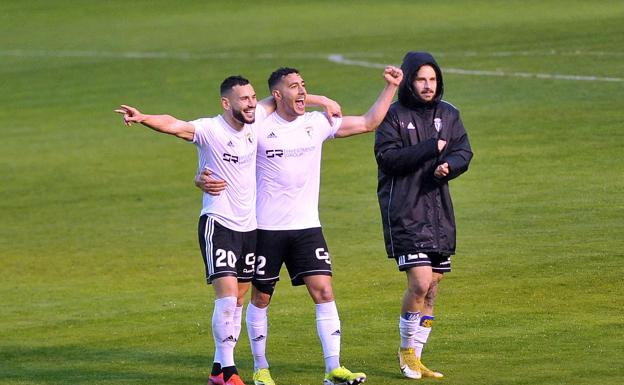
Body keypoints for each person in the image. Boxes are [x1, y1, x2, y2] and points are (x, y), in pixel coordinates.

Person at [114, 76, 339, 385]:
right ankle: (230, 371)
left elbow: (283, 99)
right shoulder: (211, 130)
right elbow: (175, 124)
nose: (250, 103)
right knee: (228, 295)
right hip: (218, 223)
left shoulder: (255, 119)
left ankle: (218, 369)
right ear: (225, 103)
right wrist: (142, 118)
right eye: (243, 99)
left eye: (252, 97)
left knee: (238, 300)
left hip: (249, 228)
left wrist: (321, 100)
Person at [198, 65, 403, 385]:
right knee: (260, 298)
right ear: (277, 95)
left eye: (304, 85)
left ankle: (333, 367)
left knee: (323, 290)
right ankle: (260, 368)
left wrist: (391, 87)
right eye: (294, 86)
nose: (302, 90)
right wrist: (201, 178)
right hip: (265, 228)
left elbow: (368, 122)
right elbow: (227, 153)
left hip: (307, 227)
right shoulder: (259, 125)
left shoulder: (316, 124)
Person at [374, 51, 473, 380]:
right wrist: (432, 148)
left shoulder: (449, 114)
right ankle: (405, 352)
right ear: (409, 81)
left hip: (438, 212)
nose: (428, 85)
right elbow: (388, 159)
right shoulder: (393, 117)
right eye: (421, 79)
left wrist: (451, 165)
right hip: (405, 210)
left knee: (433, 287)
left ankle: (417, 356)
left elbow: (463, 150)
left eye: (432, 79)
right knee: (420, 281)